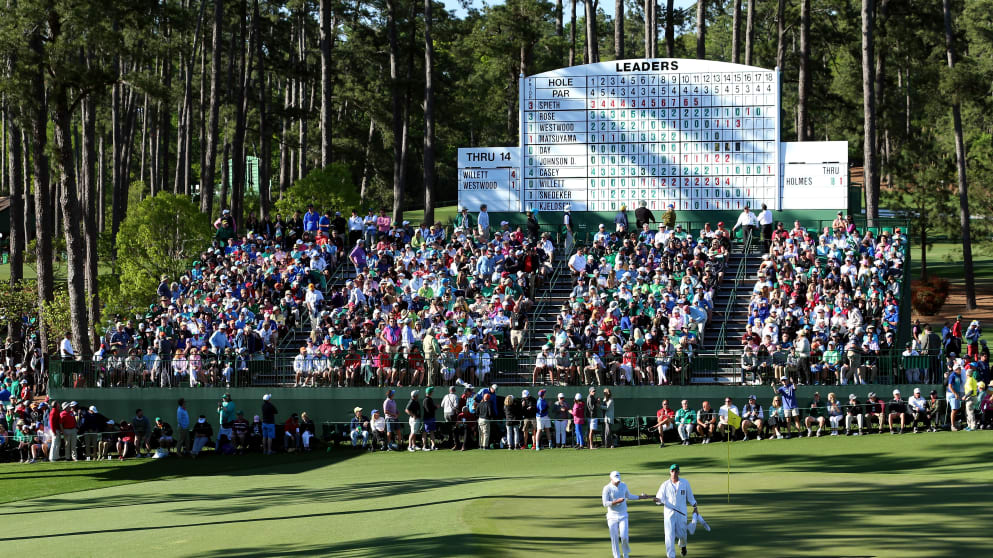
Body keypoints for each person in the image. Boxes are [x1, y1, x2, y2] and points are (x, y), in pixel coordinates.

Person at [602, 471, 649, 558]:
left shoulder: (623, 485)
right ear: (611, 478)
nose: (617, 482)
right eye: (616, 480)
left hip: (623, 515)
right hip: (612, 517)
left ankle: (626, 554)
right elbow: (605, 503)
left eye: (618, 480)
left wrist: (641, 497)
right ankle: (617, 556)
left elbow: (629, 496)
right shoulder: (607, 488)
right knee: (614, 538)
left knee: (624, 537)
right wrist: (616, 502)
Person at [655, 464, 698, 558]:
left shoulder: (685, 483)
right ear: (670, 472)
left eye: (675, 471)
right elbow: (659, 498)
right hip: (669, 514)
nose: (674, 473)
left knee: (682, 534)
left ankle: (683, 546)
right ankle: (671, 556)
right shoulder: (665, 485)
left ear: (679, 472)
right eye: (672, 471)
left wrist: (695, 507)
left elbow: (690, 497)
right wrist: (656, 500)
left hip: (681, 514)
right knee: (669, 537)